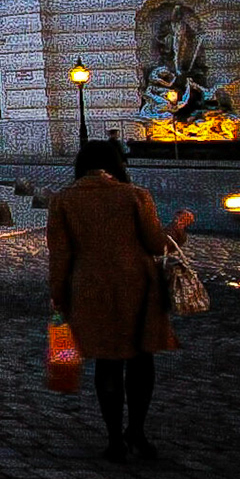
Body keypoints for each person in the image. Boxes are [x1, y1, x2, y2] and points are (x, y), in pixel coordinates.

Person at [46, 139, 194, 462]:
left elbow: (60, 255)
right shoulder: (134, 195)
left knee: (107, 362)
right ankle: (136, 431)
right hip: (137, 287)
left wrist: (58, 295)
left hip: (90, 288)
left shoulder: (63, 200)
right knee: (141, 361)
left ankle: (114, 439)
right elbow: (157, 243)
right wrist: (180, 225)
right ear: (116, 164)